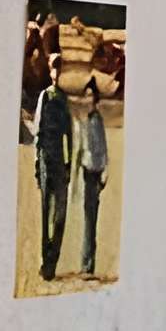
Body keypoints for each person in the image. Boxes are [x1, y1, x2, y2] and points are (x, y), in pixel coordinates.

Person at [30, 71, 78, 284]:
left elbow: (70, 135)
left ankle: (52, 261)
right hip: (45, 161)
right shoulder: (44, 97)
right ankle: (45, 264)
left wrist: (68, 164)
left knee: (59, 215)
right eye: (53, 68)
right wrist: (36, 161)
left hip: (60, 162)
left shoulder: (63, 100)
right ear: (49, 72)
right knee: (45, 213)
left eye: (60, 69)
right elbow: (37, 131)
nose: (57, 74)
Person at [76, 87, 110, 279]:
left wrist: (104, 173)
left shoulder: (96, 121)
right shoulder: (87, 120)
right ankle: (86, 263)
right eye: (85, 96)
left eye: (90, 97)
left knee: (91, 218)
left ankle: (88, 265)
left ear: (95, 101)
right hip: (86, 171)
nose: (87, 100)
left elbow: (103, 149)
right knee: (88, 216)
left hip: (94, 173)